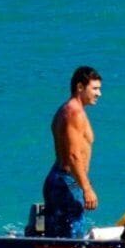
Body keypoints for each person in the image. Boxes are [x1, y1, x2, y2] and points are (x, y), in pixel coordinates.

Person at [39, 66, 100, 235]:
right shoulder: (74, 113)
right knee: (72, 239)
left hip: (61, 179)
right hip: (67, 183)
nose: (98, 93)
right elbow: (73, 155)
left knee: (57, 239)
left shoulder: (68, 110)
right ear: (80, 87)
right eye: (94, 88)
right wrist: (87, 189)